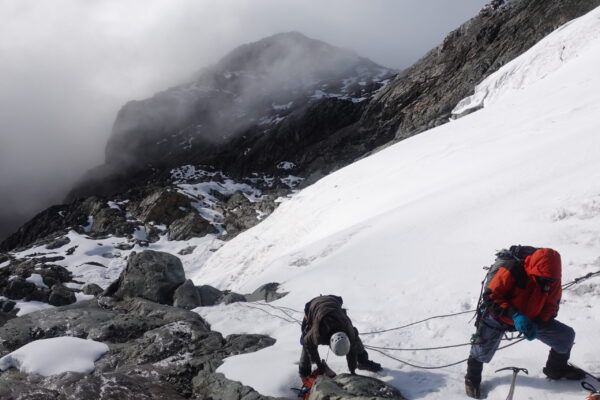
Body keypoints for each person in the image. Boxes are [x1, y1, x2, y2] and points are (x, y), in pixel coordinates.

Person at [465, 247, 585, 398]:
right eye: (542, 278)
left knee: (565, 337)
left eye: (550, 280)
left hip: (531, 319)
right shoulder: (513, 270)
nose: (546, 283)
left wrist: (538, 322)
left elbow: (551, 306)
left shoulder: (552, 279)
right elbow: (491, 297)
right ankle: (472, 377)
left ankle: (556, 369)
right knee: (481, 350)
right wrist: (515, 315)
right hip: (499, 316)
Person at [299, 294, 382, 379]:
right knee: (306, 342)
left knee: (354, 337)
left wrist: (352, 371)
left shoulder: (348, 330)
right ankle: (304, 372)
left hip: (333, 304)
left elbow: (352, 350)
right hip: (312, 307)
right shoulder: (318, 333)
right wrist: (319, 365)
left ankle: (363, 361)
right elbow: (307, 343)